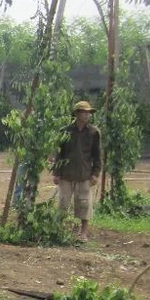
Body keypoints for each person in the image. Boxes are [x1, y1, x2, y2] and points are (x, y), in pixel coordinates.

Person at [51, 100, 102, 241]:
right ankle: (58, 230)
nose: (87, 115)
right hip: (66, 174)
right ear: (76, 114)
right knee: (62, 203)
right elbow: (59, 153)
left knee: (84, 204)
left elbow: (97, 155)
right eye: (84, 112)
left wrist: (95, 174)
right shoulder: (65, 131)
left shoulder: (93, 132)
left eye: (88, 113)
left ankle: (83, 232)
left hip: (84, 174)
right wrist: (56, 173)